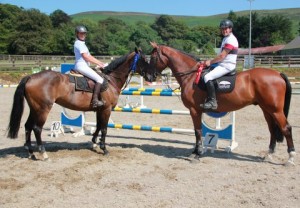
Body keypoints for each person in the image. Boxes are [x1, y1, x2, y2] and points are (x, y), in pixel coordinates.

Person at [200, 19, 239, 110]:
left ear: (230, 29)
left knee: (207, 77)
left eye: (226, 28)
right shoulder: (226, 38)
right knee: (205, 72)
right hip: (222, 64)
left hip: (227, 65)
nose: (224, 30)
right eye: (222, 29)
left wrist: (210, 62)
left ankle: (212, 102)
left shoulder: (231, 40)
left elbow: (222, 56)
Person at [73, 25, 107, 108]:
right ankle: (95, 100)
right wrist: (99, 64)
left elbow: (90, 56)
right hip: (82, 66)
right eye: (81, 33)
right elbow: (86, 57)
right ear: (77, 34)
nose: (83, 35)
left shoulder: (82, 44)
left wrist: (100, 63)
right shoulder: (79, 43)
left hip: (84, 66)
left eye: (84, 33)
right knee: (100, 79)